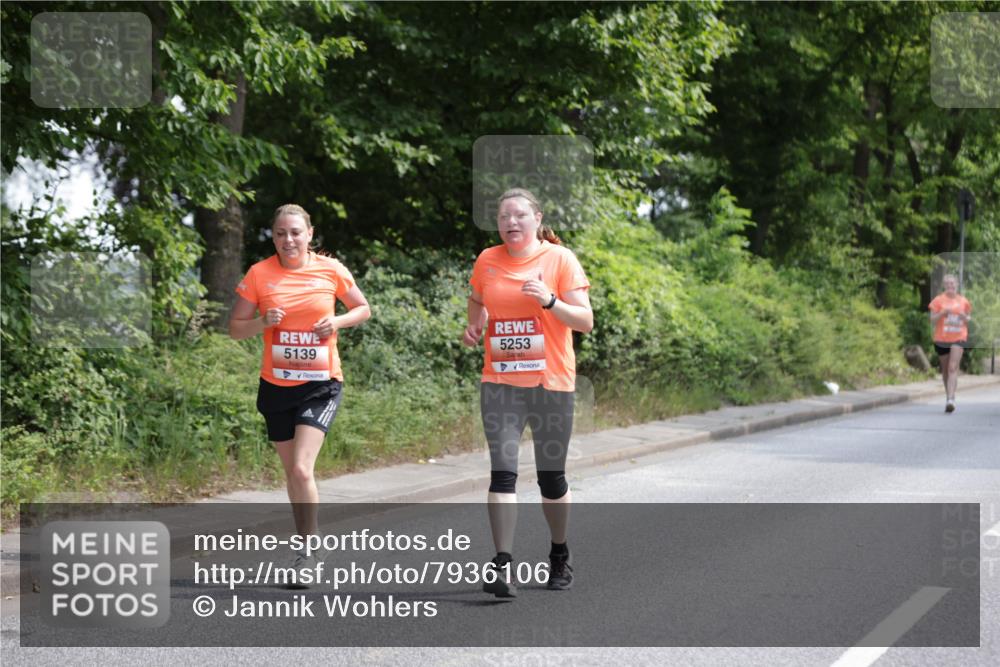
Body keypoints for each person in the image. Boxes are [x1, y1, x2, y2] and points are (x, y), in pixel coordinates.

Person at [462, 188, 593, 598]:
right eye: (504, 217)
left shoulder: (560, 259)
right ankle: (502, 564)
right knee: (502, 474)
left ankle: (559, 552)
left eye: (519, 215)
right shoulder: (487, 260)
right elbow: (477, 299)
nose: (511, 223)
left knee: (551, 480)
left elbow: (585, 321)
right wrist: (475, 325)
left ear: (537, 218)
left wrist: (551, 301)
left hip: (550, 384)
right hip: (500, 383)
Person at [229, 203, 370, 579]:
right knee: (292, 474)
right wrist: (262, 321)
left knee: (302, 469)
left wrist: (336, 320)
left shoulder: (331, 269)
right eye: (280, 233)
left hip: (320, 385)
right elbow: (234, 328)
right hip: (275, 386)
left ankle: (308, 553)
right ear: (273, 236)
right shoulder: (260, 274)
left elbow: (363, 309)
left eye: (295, 232)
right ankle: (310, 539)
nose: (288, 240)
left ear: (309, 234)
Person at [928, 274, 972, 413]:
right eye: (947, 284)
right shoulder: (938, 300)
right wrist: (942, 313)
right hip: (941, 338)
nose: (950, 286)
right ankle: (949, 395)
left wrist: (965, 317)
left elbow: (968, 318)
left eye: (952, 284)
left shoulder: (963, 301)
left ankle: (951, 399)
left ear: (957, 285)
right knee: (946, 369)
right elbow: (932, 320)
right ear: (944, 286)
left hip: (959, 337)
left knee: (953, 367)